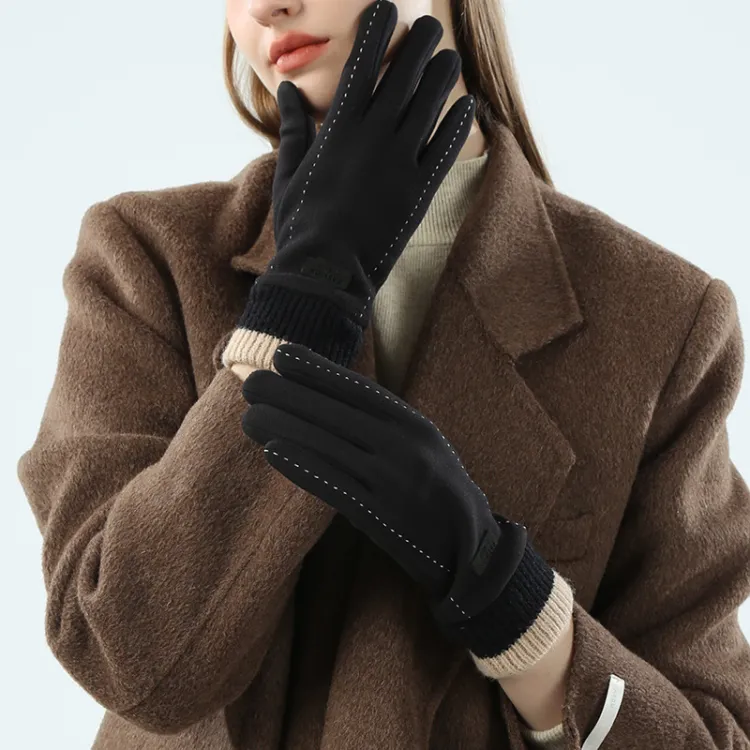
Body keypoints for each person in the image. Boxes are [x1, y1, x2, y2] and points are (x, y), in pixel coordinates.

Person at [16, 0, 750, 748]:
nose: (268, 6)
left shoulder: (659, 319)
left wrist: (514, 605)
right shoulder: (146, 260)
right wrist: (296, 307)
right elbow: (125, 658)